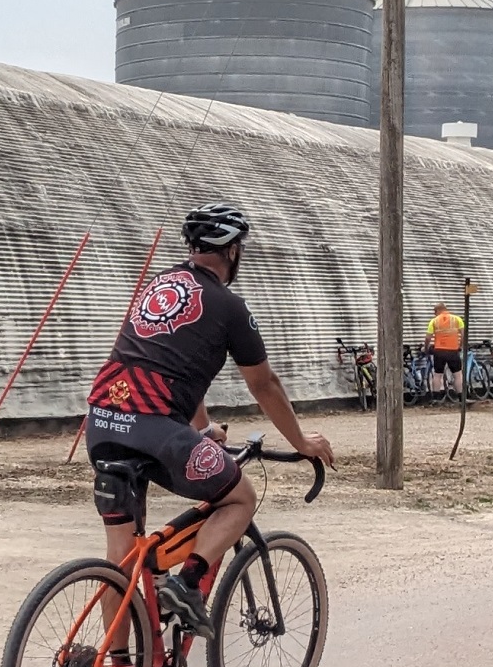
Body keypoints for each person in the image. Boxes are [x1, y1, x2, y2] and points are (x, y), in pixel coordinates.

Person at [83, 203, 335, 634]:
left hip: (102, 421)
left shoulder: (156, 285)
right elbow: (265, 386)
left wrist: (201, 429)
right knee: (239, 497)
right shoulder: (229, 307)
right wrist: (301, 443)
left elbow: (172, 367)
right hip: (154, 428)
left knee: (121, 557)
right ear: (233, 251)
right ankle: (187, 583)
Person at [425, 301, 466, 399]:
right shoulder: (457, 319)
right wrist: (460, 345)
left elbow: (428, 338)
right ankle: (461, 397)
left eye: (435, 311)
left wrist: (426, 348)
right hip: (453, 350)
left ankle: (436, 398)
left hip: (439, 351)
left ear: (438, 310)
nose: (434, 314)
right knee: (457, 374)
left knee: (437, 374)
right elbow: (464, 335)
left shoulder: (434, 321)